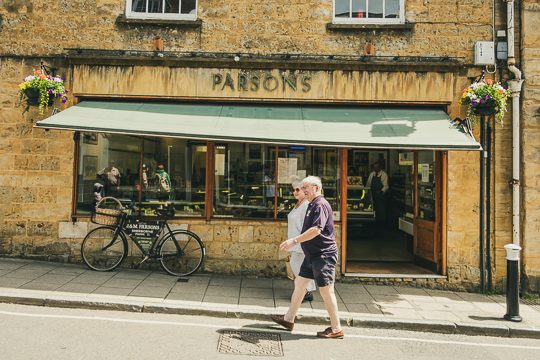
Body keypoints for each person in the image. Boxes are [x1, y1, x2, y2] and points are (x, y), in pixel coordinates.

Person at [271, 176, 344, 339]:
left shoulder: (320, 205)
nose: (303, 190)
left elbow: (316, 230)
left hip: (323, 255)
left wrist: (295, 240)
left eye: (306, 187)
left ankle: (336, 328)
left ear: (316, 188)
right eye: (302, 187)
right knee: (299, 284)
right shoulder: (311, 204)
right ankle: (289, 319)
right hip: (312, 255)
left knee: (327, 291)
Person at [287, 177, 316, 303]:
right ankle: (305, 291)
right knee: (297, 267)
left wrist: (304, 243)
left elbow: (308, 226)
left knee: (298, 267)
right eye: (293, 190)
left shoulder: (305, 205)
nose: (295, 192)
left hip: (300, 243)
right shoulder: (297, 204)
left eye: (298, 189)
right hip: (294, 241)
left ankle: (305, 292)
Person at [366, 162, 389, 226]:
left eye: (377, 167)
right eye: (374, 167)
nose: (375, 168)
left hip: (380, 197)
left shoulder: (384, 175)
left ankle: (380, 225)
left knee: (380, 211)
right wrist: (366, 193)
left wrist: (380, 192)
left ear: (380, 167)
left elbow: (386, 186)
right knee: (372, 210)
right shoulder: (372, 174)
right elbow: (368, 184)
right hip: (372, 196)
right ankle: (372, 224)